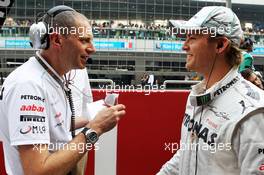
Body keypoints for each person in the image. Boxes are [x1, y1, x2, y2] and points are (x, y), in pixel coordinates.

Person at [0, 5, 126, 175]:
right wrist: (95, 129)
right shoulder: (29, 85)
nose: (92, 48)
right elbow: (38, 171)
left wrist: (94, 115)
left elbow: (54, 127)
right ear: (57, 40)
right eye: (84, 40)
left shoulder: (52, 78)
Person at [158, 6, 264, 175]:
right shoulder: (197, 95)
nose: (184, 46)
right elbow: (186, 154)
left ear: (220, 45)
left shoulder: (253, 113)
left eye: (192, 38)